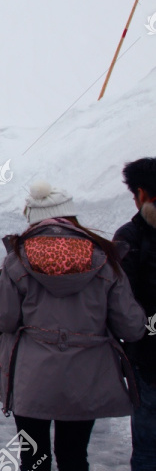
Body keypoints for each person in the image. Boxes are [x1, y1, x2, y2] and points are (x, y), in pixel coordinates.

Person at [0, 180, 146, 471]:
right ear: (71, 217)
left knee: (34, 457)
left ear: (32, 218)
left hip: (31, 380)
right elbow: (132, 327)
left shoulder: (17, 259)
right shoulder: (105, 259)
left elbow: (5, 319)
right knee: (74, 457)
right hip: (86, 379)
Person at [113, 158, 156, 470]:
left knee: (146, 447)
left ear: (141, 193)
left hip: (147, 354)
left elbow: (119, 297)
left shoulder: (130, 236)